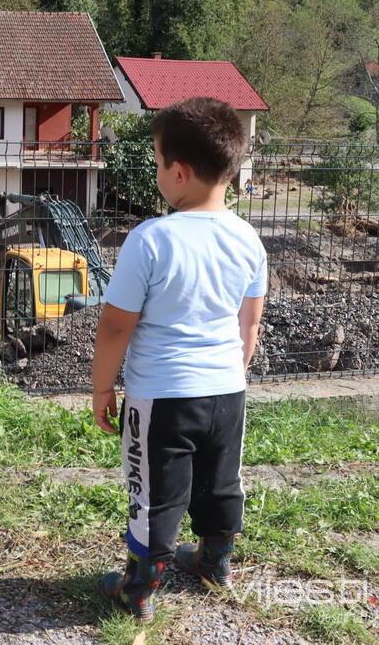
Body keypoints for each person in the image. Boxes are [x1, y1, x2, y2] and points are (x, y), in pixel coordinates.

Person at [91, 96, 267, 620]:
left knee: (157, 491)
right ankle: (216, 561)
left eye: (157, 163)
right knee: (221, 480)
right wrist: (233, 372)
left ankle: (140, 587)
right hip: (227, 392)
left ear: (181, 172)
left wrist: (103, 388)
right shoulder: (247, 237)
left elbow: (116, 325)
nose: (156, 172)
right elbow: (249, 322)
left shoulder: (151, 240)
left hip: (163, 397)